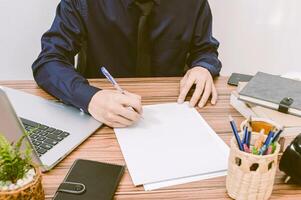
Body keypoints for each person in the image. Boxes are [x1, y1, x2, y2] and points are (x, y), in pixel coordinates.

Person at [32, 0, 222, 128]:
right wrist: (91, 98)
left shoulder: (194, 4)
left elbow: (204, 49)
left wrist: (203, 67)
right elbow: (49, 60)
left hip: (173, 115)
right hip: (99, 118)